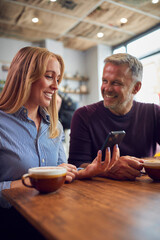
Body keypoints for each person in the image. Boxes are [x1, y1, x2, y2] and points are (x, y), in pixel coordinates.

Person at [68, 53, 160, 180]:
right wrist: (108, 170)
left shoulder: (154, 113)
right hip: (98, 195)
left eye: (116, 83)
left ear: (136, 88)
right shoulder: (83, 115)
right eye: (105, 81)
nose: (107, 88)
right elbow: (76, 165)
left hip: (145, 193)